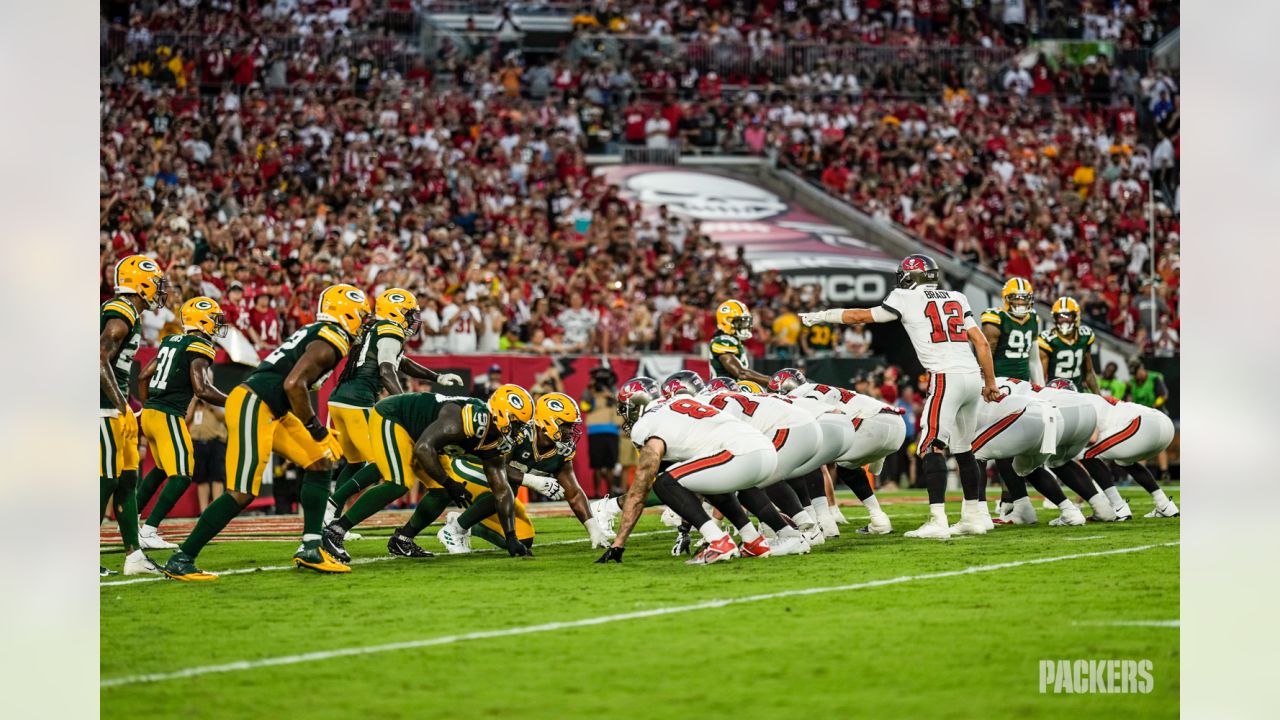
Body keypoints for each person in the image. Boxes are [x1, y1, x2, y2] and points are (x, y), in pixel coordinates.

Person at [161, 284, 370, 581]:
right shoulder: (330, 339)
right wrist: (316, 428)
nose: (363, 321)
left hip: (274, 408)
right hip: (255, 404)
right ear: (346, 312)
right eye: (360, 314)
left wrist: (315, 434)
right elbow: (293, 384)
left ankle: (311, 547)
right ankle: (182, 558)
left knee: (320, 462)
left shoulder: (321, 333)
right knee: (242, 493)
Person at [800, 254, 1004, 539]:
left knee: (930, 446)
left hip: (945, 375)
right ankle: (973, 516)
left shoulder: (905, 297)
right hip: (972, 375)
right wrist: (990, 382)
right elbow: (981, 341)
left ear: (911, 276)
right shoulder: (957, 297)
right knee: (963, 448)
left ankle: (937, 520)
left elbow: (861, 316)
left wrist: (822, 316)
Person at [320, 385, 535, 560]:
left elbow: (501, 489)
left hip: (427, 439)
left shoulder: (494, 439)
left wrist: (511, 536)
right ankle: (335, 532)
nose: (519, 432)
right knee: (398, 482)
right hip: (396, 417)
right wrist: (450, 482)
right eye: (517, 424)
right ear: (500, 415)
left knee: (441, 491)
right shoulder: (464, 421)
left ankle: (403, 540)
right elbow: (423, 449)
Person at [323, 289, 463, 534]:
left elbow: (402, 362)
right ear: (395, 311)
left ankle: (329, 515)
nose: (412, 319)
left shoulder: (374, 328)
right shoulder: (391, 329)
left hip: (339, 400)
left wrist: (437, 376)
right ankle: (332, 504)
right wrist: (403, 405)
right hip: (359, 401)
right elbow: (387, 369)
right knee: (382, 461)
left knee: (356, 462)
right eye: (409, 314)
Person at [596, 378, 778, 565]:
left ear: (637, 406)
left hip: (741, 453)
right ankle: (753, 541)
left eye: (626, 409)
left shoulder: (646, 424)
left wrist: (618, 544)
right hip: (767, 451)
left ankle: (718, 542)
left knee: (663, 483)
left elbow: (639, 491)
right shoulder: (683, 402)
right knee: (707, 483)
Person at [435, 392, 610, 552]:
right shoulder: (518, 433)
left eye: (571, 426)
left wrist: (593, 529)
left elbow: (573, 493)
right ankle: (454, 530)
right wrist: (533, 481)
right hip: (469, 468)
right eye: (566, 426)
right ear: (548, 422)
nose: (570, 431)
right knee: (509, 487)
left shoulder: (560, 451)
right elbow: (496, 467)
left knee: (524, 539)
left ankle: (465, 522)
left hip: (498, 487)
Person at [666, 372, 813, 556]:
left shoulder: (701, 406)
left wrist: (689, 528)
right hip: (805, 425)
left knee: (746, 484)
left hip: (790, 429)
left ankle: (792, 535)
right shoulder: (716, 397)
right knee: (749, 482)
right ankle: (796, 528)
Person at [134, 297, 230, 549]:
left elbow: (144, 375)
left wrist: (147, 407)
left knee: (163, 468)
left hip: (151, 413)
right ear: (202, 320)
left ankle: (131, 520)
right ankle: (149, 529)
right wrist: (233, 400)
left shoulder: (171, 341)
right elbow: (201, 389)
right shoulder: (199, 346)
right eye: (214, 319)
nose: (217, 325)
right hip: (168, 413)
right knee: (183, 473)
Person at [769, 369, 903, 538]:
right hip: (895, 422)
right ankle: (879, 520)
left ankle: (825, 522)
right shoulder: (820, 387)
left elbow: (830, 415)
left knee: (808, 458)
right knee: (846, 466)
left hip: (868, 425)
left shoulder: (798, 397)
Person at [100, 254, 167, 576]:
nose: (159, 290)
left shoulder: (130, 314)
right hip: (101, 407)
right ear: (140, 284)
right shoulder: (121, 311)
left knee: (127, 480)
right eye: (155, 283)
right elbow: (97, 357)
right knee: (105, 479)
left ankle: (134, 556)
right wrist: (120, 403)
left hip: (114, 406)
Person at [1038, 296, 1101, 393]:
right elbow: (1040, 377)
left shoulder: (1085, 336)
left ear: (1076, 317)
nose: (1064, 320)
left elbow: (1089, 373)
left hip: (1078, 392)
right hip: (1055, 393)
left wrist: (1099, 396)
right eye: (1060, 317)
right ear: (1055, 318)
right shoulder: (1048, 340)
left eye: (1068, 316)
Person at [708, 299, 773, 386]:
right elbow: (741, 373)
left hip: (731, 391)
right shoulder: (723, 341)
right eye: (740, 322)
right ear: (726, 321)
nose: (745, 325)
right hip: (723, 391)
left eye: (746, 321)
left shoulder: (733, 340)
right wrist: (771, 381)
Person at [580, 365, 622, 496]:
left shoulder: (614, 390)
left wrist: (610, 395)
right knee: (597, 465)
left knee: (610, 465)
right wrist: (590, 390)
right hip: (595, 430)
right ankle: (597, 493)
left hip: (612, 430)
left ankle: (610, 493)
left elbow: (623, 406)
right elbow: (584, 407)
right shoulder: (590, 391)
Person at [188, 398, 227, 513]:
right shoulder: (194, 403)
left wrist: (210, 402)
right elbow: (186, 419)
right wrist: (194, 402)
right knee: (201, 479)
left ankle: (216, 511)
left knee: (217, 477)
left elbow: (224, 416)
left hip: (216, 442)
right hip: (198, 443)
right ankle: (204, 511)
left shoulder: (216, 398)